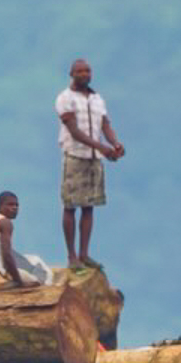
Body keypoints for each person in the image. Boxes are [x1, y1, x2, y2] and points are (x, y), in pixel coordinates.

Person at [56, 58, 124, 270]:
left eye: (88, 71)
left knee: (89, 206)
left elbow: (106, 125)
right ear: (72, 74)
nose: (85, 74)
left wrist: (114, 144)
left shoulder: (97, 99)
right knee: (70, 206)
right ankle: (72, 256)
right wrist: (101, 147)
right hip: (75, 156)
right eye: (80, 71)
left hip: (95, 158)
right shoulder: (64, 98)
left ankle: (85, 254)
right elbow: (74, 132)